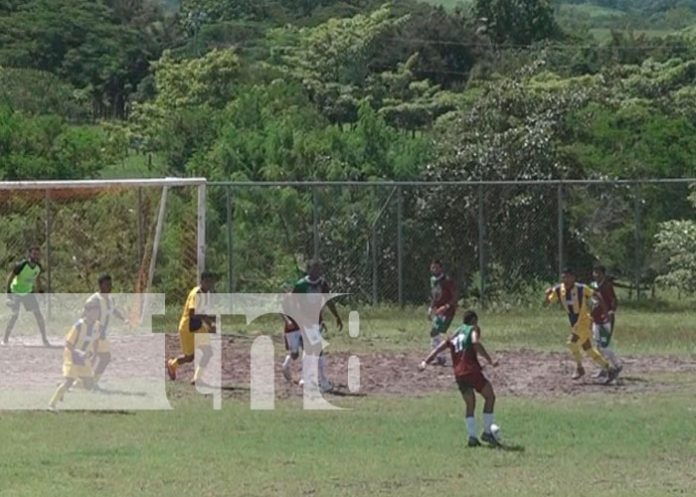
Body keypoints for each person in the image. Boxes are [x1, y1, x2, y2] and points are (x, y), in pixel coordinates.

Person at [419, 310, 500, 447]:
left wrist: (425, 362)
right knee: (490, 397)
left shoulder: (456, 334)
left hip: (459, 374)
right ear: (473, 321)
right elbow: (475, 342)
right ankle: (487, 432)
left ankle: (472, 438)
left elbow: (440, 347)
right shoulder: (472, 329)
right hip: (471, 370)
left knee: (470, 404)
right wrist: (490, 360)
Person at [545, 268, 619, 384]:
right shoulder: (559, 290)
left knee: (571, 343)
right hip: (574, 323)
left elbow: (597, 295)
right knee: (588, 349)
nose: (566, 280)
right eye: (564, 277)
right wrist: (547, 295)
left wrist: (604, 310)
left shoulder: (581, 288)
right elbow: (547, 303)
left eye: (568, 277)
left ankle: (579, 368)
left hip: (584, 321)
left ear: (574, 278)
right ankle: (609, 369)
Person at [281, 260, 342, 392]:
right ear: (308, 270)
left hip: (315, 321)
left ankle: (312, 380)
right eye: (314, 269)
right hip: (304, 322)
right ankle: (319, 382)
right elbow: (292, 304)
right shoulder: (301, 285)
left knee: (313, 350)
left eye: (318, 269)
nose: (316, 272)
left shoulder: (323, 284)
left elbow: (328, 301)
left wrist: (336, 316)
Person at [48, 299, 101, 410]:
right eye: (94, 311)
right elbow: (68, 343)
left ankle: (62, 388)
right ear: (87, 312)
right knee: (70, 379)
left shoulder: (97, 325)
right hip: (72, 355)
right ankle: (52, 404)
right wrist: (78, 352)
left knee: (89, 384)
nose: (96, 314)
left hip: (84, 356)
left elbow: (96, 340)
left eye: (97, 311)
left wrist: (95, 355)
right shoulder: (78, 326)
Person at [166, 271, 216, 385]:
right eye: (207, 281)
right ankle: (172, 364)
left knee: (207, 352)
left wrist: (212, 324)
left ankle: (196, 378)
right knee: (189, 357)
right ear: (202, 281)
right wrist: (209, 323)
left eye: (211, 282)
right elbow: (193, 313)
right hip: (187, 327)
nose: (209, 284)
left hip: (198, 327)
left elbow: (203, 312)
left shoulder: (206, 294)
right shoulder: (196, 293)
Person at [85, 274, 129, 389]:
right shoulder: (94, 299)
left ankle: (92, 382)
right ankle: (75, 381)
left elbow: (113, 310)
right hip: (92, 334)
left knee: (104, 358)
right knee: (90, 358)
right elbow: (85, 314)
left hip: (101, 335)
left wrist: (124, 319)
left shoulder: (110, 299)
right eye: (106, 284)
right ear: (100, 285)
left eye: (110, 284)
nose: (109, 286)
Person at [3, 245, 50, 346]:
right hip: (15, 291)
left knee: (38, 315)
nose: (36, 256)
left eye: (38, 254)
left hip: (28, 292)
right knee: (14, 315)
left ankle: (44, 340)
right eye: (34, 253)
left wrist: (40, 292)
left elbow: (37, 280)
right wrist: (8, 294)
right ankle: (5, 339)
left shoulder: (38, 267)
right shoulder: (22, 264)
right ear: (30, 254)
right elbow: (10, 278)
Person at [591, 265, 622, 377]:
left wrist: (612, 311)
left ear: (603, 274)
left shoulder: (607, 286)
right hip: (596, 319)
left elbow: (614, 300)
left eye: (598, 273)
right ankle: (603, 367)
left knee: (605, 345)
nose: (596, 275)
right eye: (594, 273)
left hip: (605, 320)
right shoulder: (593, 286)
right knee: (597, 345)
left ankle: (617, 365)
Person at [427, 260, 457, 366]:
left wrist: (446, 306)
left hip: (448, 311)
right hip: (438, 311)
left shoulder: (447, 281)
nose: (434, 270)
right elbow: (434, 296)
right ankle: (440, 356)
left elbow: (454, 298)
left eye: (436, 267)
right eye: (432, 268)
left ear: (441, 268)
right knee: (434, 332)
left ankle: (441, 356)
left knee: (435, 331)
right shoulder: (433, 280)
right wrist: (431, 308)